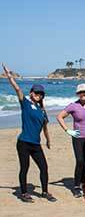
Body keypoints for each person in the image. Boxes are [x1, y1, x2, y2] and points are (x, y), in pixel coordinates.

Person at [2, 64, 56, 203]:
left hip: (36, 144)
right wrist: (10, 76)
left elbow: (45, 128)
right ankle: (24, 193)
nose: (38, 95)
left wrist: (48, 141)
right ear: (31, 93)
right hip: (24, 142)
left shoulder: (42, 111)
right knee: (24, 167)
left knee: (44, 167)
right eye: (36, 93)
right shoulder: (25, 103)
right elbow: (18, 89)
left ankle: (44, 192)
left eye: (41, 94)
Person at [56, 83, 85, 198]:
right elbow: (59, 117)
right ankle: (76, 186)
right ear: (77, 94)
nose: (83, 94)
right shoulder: (73, 106)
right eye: (80, 92)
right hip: (78, 138)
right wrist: (68, 130)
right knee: (80, 161)